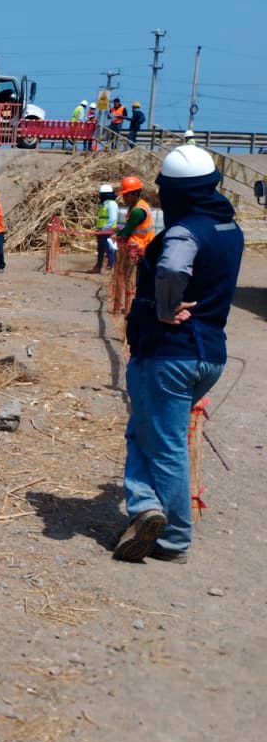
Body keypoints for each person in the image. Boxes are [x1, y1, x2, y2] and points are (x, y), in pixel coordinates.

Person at [112, 145, 243, 564]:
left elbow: (171, 268)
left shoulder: (186, 231)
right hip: (209, 354)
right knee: (144, 432)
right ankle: (147, 507)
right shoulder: (229, 229)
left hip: (169, 353)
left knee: (164, 442)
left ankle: (172, 536)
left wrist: (165, 308)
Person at [115, 174, 156, 252]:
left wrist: (114, 235)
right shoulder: (140, 204)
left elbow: (127, 231)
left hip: (139, 246)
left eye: (126, 195)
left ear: (135, 194)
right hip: (144, 244)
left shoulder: (137, 211)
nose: (124, 198)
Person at [92, 184, 119, 273]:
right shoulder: (104, 204)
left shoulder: (111, 204)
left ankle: (111, 266)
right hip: (102, 231)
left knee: (109, 249)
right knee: (100, 249)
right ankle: (98, 267)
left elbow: (112, 219)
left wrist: (103, 229)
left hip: (108, 231)